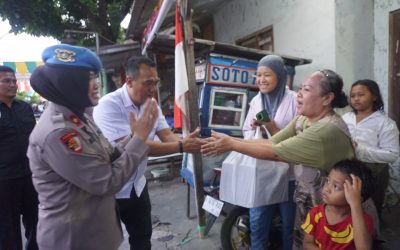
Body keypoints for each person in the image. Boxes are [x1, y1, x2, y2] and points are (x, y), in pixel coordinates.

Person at [202, 69, 354, 249]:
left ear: (327, 99)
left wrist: (231, 144)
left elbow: (276, 152)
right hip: (311, 201)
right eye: (300, 88)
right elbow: (273, 141)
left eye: (306, 89)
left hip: (337, 207)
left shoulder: (326, 129)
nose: (299, 93)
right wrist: (229, 140)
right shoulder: (302, 119)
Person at [27, 44, 159, 250]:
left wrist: (133, 138)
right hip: (75, 239)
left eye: (95, 77)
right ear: (69, 83)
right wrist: (139, 140)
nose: (96, 84)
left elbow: (110, 154)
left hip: (92, 232)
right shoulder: (60, 133)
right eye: (88, 78)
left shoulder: (79, 118)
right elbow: (106, 181)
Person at [93, 56, 202, 249]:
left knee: (142, 237)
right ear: (129, 81)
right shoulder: (108, 105)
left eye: (156, 83)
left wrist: (192, 141)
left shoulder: (150, 103)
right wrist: (183, 147)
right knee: (107, 242)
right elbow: (136, 148)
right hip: (112, 189)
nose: (153, 89)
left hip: (137, 184)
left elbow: (167, 135)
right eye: (148, 83)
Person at [241, 55, 297, 250]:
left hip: (289, 175)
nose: (261, 80)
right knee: (258, 223)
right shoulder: (256, 100)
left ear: (280, 76)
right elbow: (246, 131)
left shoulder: (295, 100)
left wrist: (272, 127)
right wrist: (255, 130)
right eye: (258, 75)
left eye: (267, 75)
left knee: (290, 224)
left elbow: (300, 140)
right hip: (263, 172)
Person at [342, 79, 399, 217]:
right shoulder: (345, 118)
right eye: (353, 95)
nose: (356, 99)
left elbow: (392, 154)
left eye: (361, 94)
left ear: (374, 96)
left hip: (374, 173)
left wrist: (360, 149)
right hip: (347, 171)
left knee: (370, 213)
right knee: (346, 211)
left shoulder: (384, 123)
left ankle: (370, 237)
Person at [0, 65, 39, 249]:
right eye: (6, 81)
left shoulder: (24, 107)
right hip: (4, 180)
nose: (12, 84)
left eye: (14, 81)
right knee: (8, 228)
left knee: (36, 222)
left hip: (31, 176)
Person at [302, 159, 375, 250]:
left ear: (356, 197)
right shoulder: (316, 214)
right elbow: (307, 243)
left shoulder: (363, 221)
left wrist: (355, 204)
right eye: (328, 181)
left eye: (336, 186)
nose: (327, 188)